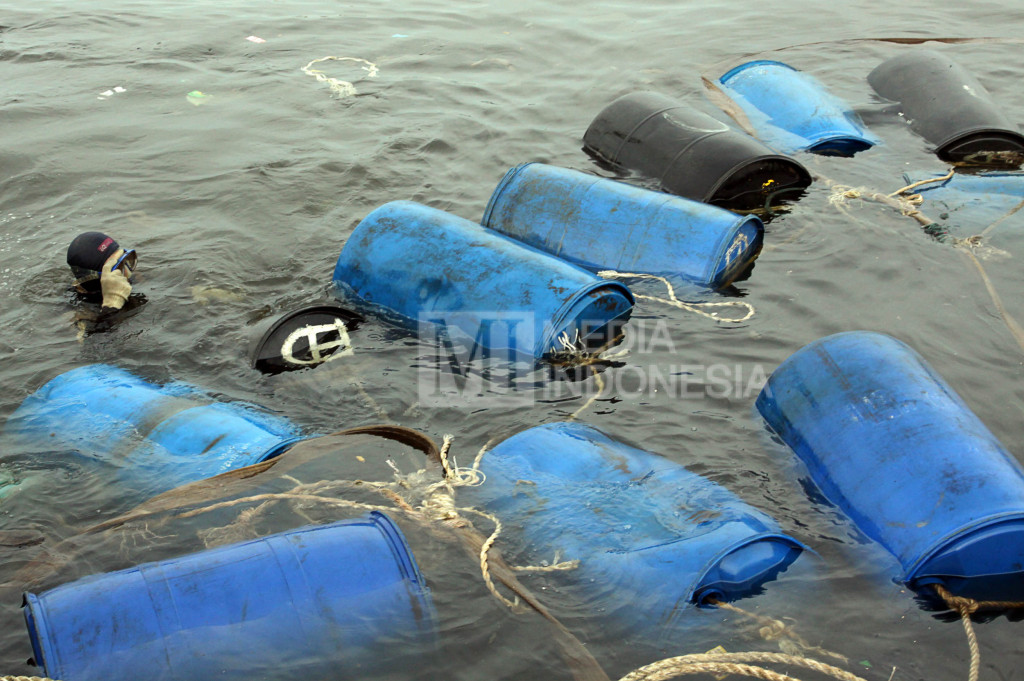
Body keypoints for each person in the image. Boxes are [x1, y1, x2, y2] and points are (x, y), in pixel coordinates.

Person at [66, 231, 144, 329]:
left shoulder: (131, 276)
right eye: (116, 268)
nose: (127, 274)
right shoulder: (81, 310)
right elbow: (98, 341)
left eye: (125, 260)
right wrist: (112, 305)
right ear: (95, 278)